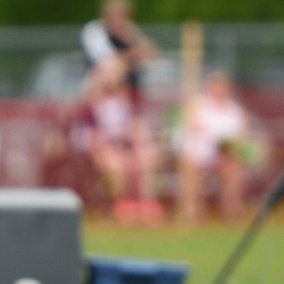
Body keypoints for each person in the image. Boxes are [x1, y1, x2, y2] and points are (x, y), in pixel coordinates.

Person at [79, 57, 161, 224]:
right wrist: (107, 148)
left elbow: (134, 126)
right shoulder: (92, 101)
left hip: (124, 143)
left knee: (142, 160)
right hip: (102, 145)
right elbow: (94, 133)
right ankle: (121, 202)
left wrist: (139, 147)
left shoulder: (126, 98)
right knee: (117, 165)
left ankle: (143, 201)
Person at [176, 70, 252, 223]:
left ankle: (230, 206)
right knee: (190, 165)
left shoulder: (234, 109)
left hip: (225, 152)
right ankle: (192, 208)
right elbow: (191, 126)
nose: (219, 90)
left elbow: (242, 134)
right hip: (199, 150)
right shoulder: (197, 104)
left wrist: (227, 144)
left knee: (235, 167)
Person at [80, 0, 156, 102]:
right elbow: (108, 62)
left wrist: (132, 37)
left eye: (123, 17)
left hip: (129, 87)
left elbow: (151, 53)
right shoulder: (94, 31)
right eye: (115, 17)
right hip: (100, 85)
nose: (119, 21)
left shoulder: (128, 32)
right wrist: (132, 55)